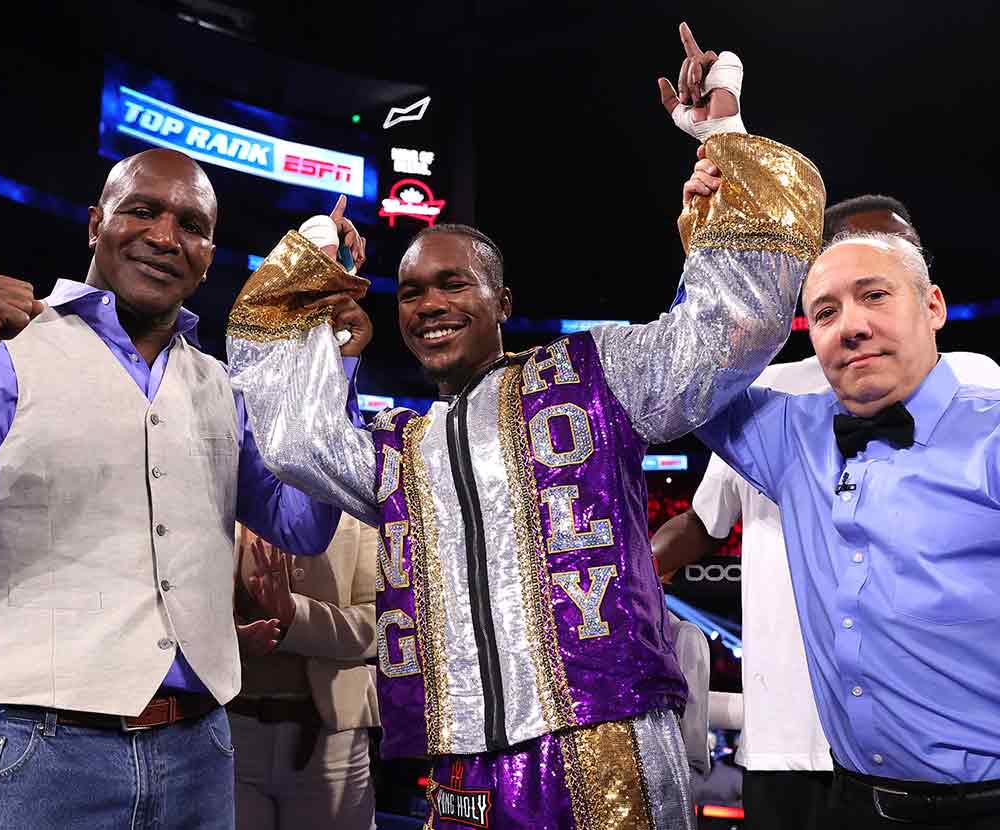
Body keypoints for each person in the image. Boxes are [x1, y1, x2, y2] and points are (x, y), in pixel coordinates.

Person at [225, 24, 826, 828]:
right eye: (409, 293)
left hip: (606, 737)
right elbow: (295, 441)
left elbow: (732, 326)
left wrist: (724, 130)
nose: (430, 305)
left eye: (453, 284)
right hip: (464, 756)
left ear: (501, 303)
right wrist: (306, 268)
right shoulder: (403, 446)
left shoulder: (596, 373)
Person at [0, 149, 353, 830]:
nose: (165, 236)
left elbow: (300, 524)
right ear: (94, 223)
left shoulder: (223, 385)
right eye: (142, 210)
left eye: (191, 225)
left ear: (209, 253)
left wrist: (327, 370)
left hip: (200, 753)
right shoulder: (0, 353)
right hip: (31, 758)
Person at [652, 198, 1000, 830]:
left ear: (933, 307)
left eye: (875, 296)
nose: (852, 326)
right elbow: (683, 373)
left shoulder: (992, 432)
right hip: (849, 800)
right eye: (826, 312)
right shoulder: (789, 433)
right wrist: (711, 240)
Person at [230, 518, 379, 830]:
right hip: (230, 735)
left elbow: (378, 625)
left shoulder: (351, 504)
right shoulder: (225, 492)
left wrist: (296, 615)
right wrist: (233, 639)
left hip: (330, 739)